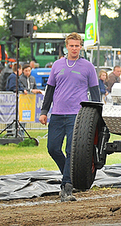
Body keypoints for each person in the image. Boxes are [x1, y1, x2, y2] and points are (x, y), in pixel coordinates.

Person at [39, 32, 100, 202]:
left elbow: (95, 93)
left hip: (78, 115)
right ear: (67, 46)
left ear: (81, 47)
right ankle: (71, 174)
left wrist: (98, 115)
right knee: (53, 148)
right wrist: (44, 112)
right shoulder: (57, 65)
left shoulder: (88, 67)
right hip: (57, 114)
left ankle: (67, 187)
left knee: (71, 150)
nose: (74, 49)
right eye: (71, 46)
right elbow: (50, 90)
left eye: (77, 45)